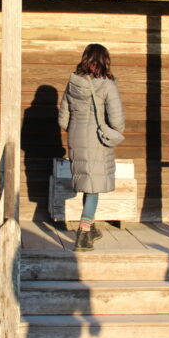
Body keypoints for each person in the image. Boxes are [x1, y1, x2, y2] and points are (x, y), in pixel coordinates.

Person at [59, 43, 125, 251]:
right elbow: (117, 122)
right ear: (105, 60)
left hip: (77, 139)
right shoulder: (107, 85)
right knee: (94, 187)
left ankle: (92, 228)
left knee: (89, 183)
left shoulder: (73, 84)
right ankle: (83, 234)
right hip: (97, 140)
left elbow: (63, 120)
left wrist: (78, 128)